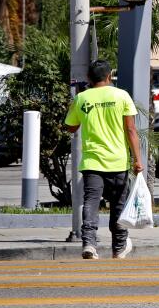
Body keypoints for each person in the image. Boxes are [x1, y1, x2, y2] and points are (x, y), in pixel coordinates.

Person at [63, 59, 143, 261]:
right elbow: (131, 130)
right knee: (118, 205)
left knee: (91, 202)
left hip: (92, 162)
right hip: (118, 161)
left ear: (89, 78)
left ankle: (89, 243)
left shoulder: (82, 98)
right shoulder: (121, 95)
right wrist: (137, 160)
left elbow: (71, 127)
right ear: (109, 77)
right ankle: (118, 248)